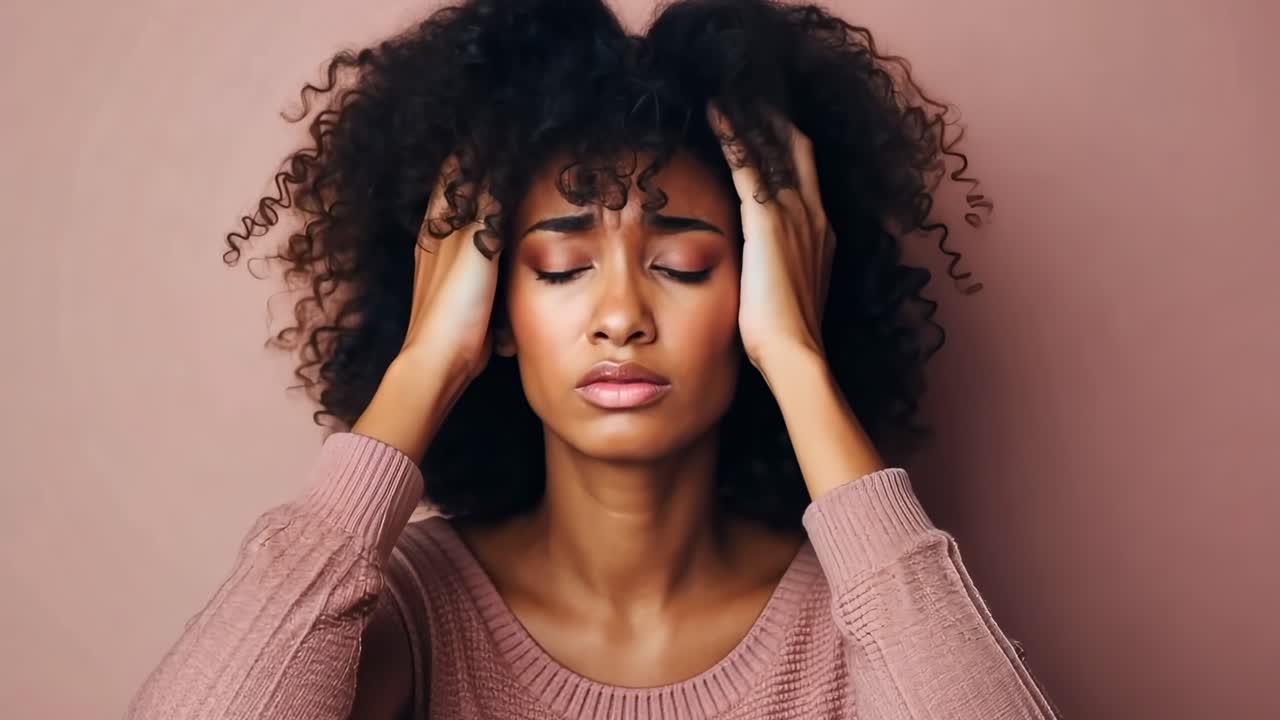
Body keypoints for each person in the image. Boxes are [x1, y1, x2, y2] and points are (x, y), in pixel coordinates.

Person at [128, 0, 1065, 717]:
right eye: (562, 267)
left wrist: (796, 357)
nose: (620, 317)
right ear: (493, 305)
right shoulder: (407, 608)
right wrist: (424, 362)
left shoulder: (861, 621)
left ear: (767, 286)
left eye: (682, 264)